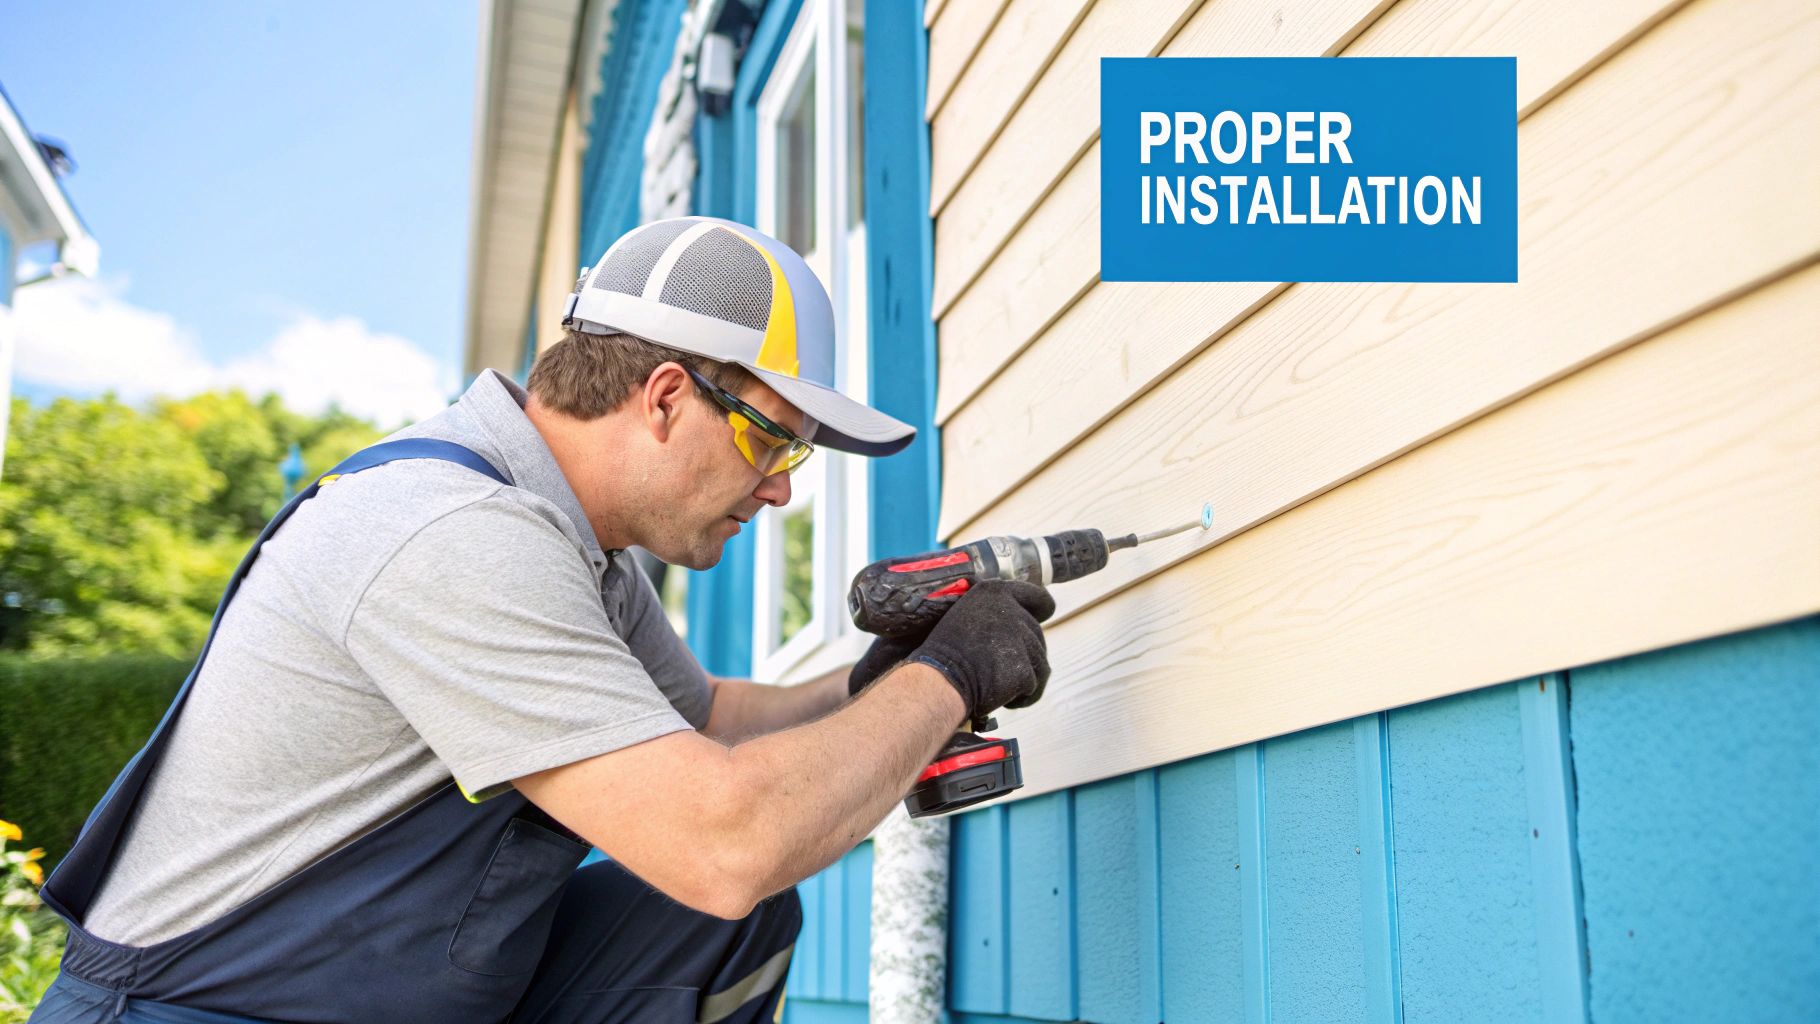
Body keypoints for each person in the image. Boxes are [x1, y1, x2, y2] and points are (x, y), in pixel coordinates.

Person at [29, 217, 1055, 1024]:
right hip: (189, 1008)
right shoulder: (454, 531)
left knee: (706, 934)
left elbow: (706, 724)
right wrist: (950, 676)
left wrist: (865, 686)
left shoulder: (577, 550)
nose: (780, 490)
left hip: (354, 1002)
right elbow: (724, 841)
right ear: (663, 398)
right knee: (724, 885)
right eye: (772, 442)